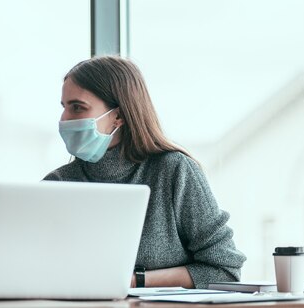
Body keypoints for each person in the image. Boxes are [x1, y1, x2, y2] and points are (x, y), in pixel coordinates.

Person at [44, 56, 246, 289]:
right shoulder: (56, 184)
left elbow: (225, 269)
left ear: (118, 116)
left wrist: (132, 281)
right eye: (64, 107)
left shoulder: (174, 172)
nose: (64, 119)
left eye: (77, 107)